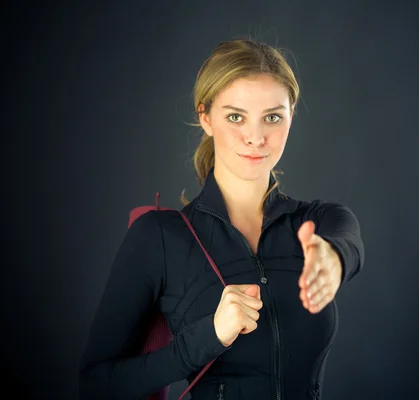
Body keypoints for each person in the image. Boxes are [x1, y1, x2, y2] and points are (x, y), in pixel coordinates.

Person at [78, 38, 365, 400]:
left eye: (273, 117)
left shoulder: (318, 221)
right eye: (235, 116)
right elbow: (96, 382)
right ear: (205, 117)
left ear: (291, 117)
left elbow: (347, 242)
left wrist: (334, 259)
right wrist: (208, 336)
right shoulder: (159, 237)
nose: (256, 137)